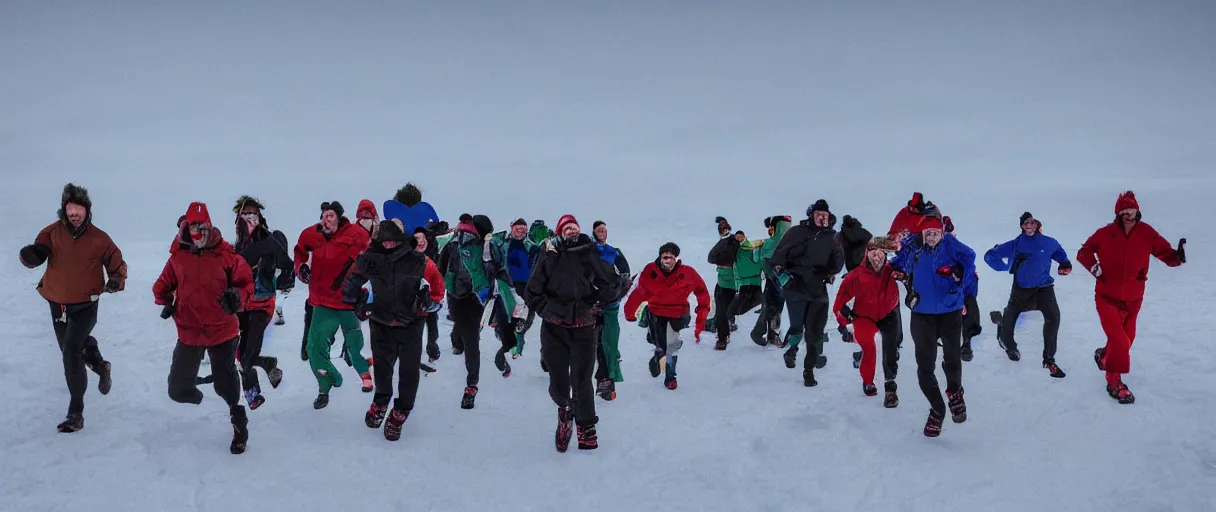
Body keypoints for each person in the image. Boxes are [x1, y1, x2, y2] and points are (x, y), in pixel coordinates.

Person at [19, 183, 126, 432]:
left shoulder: (99, 238)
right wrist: (31, 256)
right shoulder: (51, 233)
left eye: (79, 208)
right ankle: (100, 366)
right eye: (70, 208)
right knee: (72, 348)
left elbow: (116, 261)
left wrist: (115, 280)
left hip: (86, 304)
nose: (74, 213)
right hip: (57, 303)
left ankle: (75, 412)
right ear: (64, 210)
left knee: (70, 352)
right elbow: (38, 252)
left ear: (87, 211)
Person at [153, 202, 255, 454]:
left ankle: (239, 423)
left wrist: (237, 297)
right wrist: (167, 302)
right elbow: (161, 286)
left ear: (209, 227)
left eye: (202, 228)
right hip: (189, 330)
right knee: (177, 389)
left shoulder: (226, 255)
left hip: (222, 330)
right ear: (186, 228)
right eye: (193, 229)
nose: (197, 234)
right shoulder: (178, 256)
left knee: (225, 383)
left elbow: (247, 286)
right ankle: (199, 394)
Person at [526, 214, 630, 452]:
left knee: (582, 380)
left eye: (574, 227)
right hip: (554, 327)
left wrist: (607, 295)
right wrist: (550, 311)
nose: (571, 231)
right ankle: (565, 411)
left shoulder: (589, 251)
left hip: (584, 326)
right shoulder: (550, 254)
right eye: (566, 228)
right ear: (560, 232)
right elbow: (533, 292)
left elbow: (609, 282)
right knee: (558, 380)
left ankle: (586, 427)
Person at [1076, 191, 1185, 404]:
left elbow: (1165, 252)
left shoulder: (1146, 232)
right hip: (1107, 296)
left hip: (1134, 298)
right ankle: (1114, 381)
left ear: (1137, 210)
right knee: (1119, 340)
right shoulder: (1105, 233)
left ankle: (1105, 357)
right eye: (1124, 210)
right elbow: (1084, 252)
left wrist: (1177, 257)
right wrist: (1094, 267)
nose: (1128, 214)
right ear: (1118, 213)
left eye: (1131, 209)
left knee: (1127, 340)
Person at [344, 220, 445, 441]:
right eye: (384, 241)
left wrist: (429, 303)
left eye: (393, 241)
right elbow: (350, 281)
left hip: (410, 325)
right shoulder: (369, 260)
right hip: (380, 323)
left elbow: (438, 288)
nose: (388, 245)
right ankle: (381, 402)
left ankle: (401, 412)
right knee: (382, 369)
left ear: (400, 240)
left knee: (408, 373)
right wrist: (356, 301)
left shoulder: (419, 261)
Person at [890, 215, 976, 437]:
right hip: (922, 315)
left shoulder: (949, 244)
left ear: (942, 233)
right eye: (927, 231)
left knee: (952, 356)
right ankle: (937, 409)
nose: (931, 235)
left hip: (950, 311)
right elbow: (894, 263)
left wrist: (960, 280)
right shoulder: (915, 249)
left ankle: (955, 393)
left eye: (935, 232)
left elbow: (970, 257)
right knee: (925, 366)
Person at [293, 201, 373, 409]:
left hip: (347, 302)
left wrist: (362, 282)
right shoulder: (310, 235)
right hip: (322, 302)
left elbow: (373, 256)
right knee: (315, 348)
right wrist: (301, 268)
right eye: (324, 215)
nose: (326, 219)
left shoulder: (356, 234)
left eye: (330, 215)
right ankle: (326, 382)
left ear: (339, 216)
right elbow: (300, 252)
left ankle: (365, 372)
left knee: (355, 344)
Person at [983, 212, 1072, 377]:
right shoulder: (1017, 244)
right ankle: (1009, 345)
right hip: (1021, 289)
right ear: (1022, 227)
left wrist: (1065, 265)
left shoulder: (1049, 242)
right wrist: (1005, 267)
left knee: (1054, 317)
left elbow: (1061, 255)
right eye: (1026, 224)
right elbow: (990, 255)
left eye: (1032, 223)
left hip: (1045, 288)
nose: (1029, 226)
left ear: (1038, 224)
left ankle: (1049, 359)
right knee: (1009, 318)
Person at [767, 200, 844, 387]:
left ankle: (808, 371)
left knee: (815, 331)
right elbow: (778, 257)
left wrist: (831, 270)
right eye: (818, 214)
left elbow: (837, 264)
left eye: (825, 215)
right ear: (812, 215)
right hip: (795, 285)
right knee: (797, 324)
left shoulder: (832, 238)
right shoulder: (796, 232)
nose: (822, 218)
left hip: (818, 288)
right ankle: (792, 350)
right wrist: (783, 276)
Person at [229, 196, 294, 408]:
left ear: (260, 216)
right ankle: (267, 364)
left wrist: (286, 278)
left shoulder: (269, 240)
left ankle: (252, 394)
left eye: (254, 213)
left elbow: (287, 264)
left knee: (247, 357)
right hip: (241, 305)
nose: (250, 216)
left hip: (262, 304)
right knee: (240, 354)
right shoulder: (236, 247)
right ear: (239, 218)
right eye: (246, 213)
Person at [623, 242, 711, 391]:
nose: (667, 260)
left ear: (676, 258)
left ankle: (670, 376)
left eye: (671, 257)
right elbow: (640, 293)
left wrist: (702, 313)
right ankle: (658, 355)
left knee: (672, 345)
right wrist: (629, 312)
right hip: (656, 313)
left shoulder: (688, 273)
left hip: (677, 314)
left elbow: (702, 291)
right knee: (661, 345)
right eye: (665, 257)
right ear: (660, 257)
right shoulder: (650, 271)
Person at [437, 213, 502, 409]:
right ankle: (459, 347)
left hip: (464, 297)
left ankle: (470, 382)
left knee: (467, 334)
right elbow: (443, 267)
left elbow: (441, 268)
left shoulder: (464, 244)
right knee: (466, 333)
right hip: (465, 296)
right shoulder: (466, 245)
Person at [832, 236, 903, 404]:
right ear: (867, 254)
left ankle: (890, 386)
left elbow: (912, 280)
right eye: (872, 253)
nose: (876, 257)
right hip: (864, 317)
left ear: (885, 255)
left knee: (890, 349)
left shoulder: (893, 272)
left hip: (888, 314)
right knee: (869, 347)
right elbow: (838, 305)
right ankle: (868, 381)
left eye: (880, 253)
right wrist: (844, 324)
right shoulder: (855, 276)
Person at [590, 220, 630, 400]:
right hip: (591, 303)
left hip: (609, 303)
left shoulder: (614, 252)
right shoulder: (588, 252)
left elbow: (625, 273)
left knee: (608, 341)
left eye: (604, 230)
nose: (602, 233)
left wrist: (618, 290)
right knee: (594, 341)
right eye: (599, 230)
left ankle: (606, 380)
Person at [750, 215, 792, 346]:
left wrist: (757, 250)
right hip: (784, 280)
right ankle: (769, 334)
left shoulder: (768, 242)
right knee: (775, 308)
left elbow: (757, 259)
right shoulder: (790, 242)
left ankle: (768, 334)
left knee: (770, 306)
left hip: (772, 279)